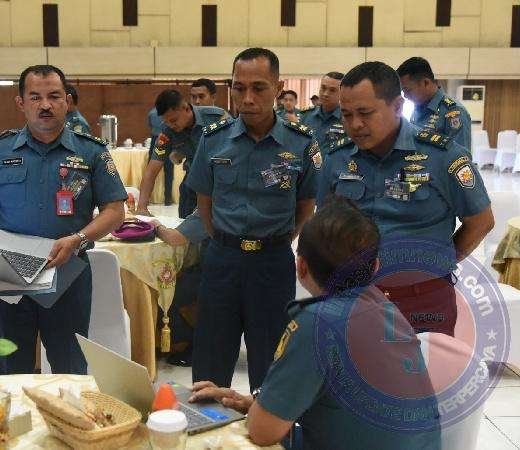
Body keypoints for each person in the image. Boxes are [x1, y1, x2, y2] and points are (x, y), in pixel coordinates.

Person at [189, 197, 441, 450]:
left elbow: (262, 433)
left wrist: (259, 412)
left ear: (300, 266)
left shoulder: (316, 323)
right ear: (375, 267)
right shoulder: (387, 309)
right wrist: (256, 404)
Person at [0, 65, 127, 374]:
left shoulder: (91, 152)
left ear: (67, 101)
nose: (45, 105)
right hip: (7, 272)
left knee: (69, 366)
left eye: (54, 96)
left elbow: (115, 210)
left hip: (66, 272)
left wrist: (78, 239)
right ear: (21, 103)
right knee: (11, 367)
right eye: (35, 97)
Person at [318, 61, 493, 336]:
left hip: (424, 300)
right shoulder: (336, 158)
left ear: (398, 106)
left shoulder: (443, 157)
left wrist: (438, 263)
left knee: (427, 364)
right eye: (347, 115)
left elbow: (481, 221)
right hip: (354, 297)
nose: (355, 124)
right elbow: (325, 224)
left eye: (365, 113)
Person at [186, 48, 320, 390]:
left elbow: (306, 206)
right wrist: (226, 240)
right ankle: (209, 421)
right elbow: (205, 203)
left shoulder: (301, 143)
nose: (247, 98)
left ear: (278, 87)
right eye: (239, 87)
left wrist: (279, 240)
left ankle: (263, 422)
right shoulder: (214, 140)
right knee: (211, 358)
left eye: (258, 88)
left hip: (272, 263)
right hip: (222, 259)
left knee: (271, 361)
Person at [136, 89, 226, 219]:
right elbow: (151, 170)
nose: (170, 125)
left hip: (220, 182)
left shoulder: (216, 117)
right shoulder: (167, 133)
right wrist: (142, 207)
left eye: (173, 120)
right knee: (184, 224)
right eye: (166, 122)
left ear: (186, 108)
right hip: (192, 183)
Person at [151, 211, 209, 367]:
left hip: (213, 273)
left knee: (164, 292)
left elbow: (174, 238)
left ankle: (189, 344)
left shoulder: (213, 204)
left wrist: (156, 226)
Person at [397, 57, 472, 154]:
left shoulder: (454, 112)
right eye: (403, 91)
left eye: (407, 90)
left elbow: (461, 156)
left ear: (426, 83)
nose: (405, 96)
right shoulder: (417, 108)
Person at [301, 71, 345, 149]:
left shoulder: (348, 119)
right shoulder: (305, 116)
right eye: (323, 88)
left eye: (332, 90)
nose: (325, 94)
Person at [147, 107, 174, 205]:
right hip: (167, 139)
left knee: (151, 172)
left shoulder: (151, 113)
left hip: (155, 140)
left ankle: (147, 198)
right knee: (169, 172)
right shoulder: (169, 113)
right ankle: (168, 199)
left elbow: (150, 126)